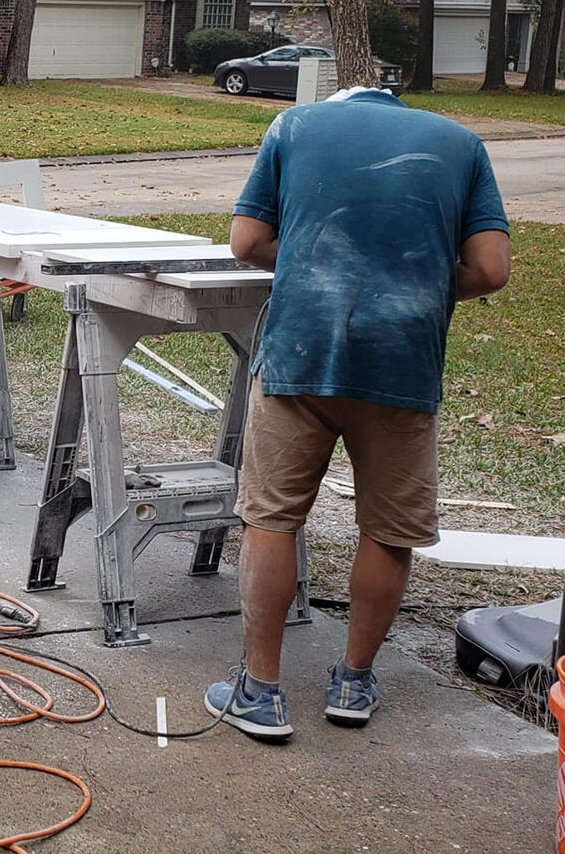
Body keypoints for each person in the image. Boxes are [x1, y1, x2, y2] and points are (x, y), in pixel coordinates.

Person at [206, 85, 511, 740]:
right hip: (401, 358)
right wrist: (418, 281)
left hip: (301, 354)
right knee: (386, 528)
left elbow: (245, 242)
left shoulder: (292, 126)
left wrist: (299, 262)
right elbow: (489, 269)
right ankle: (351, 681)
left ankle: (259, 691)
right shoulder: (460, 144)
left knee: (271, 516)